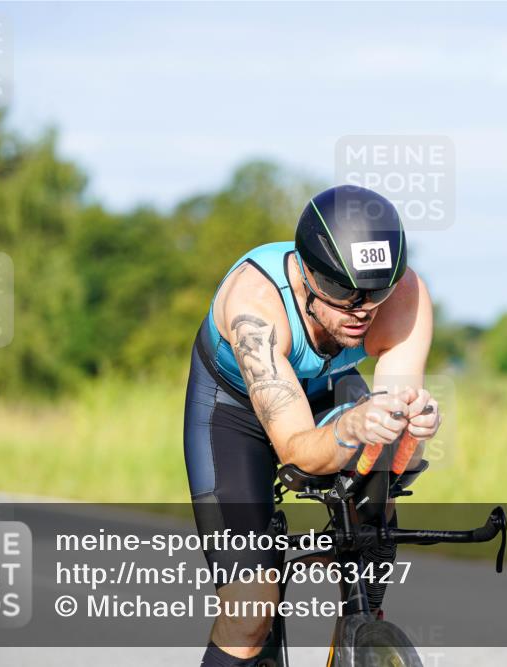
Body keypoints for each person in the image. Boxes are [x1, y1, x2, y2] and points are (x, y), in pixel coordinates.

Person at [183, 184, 442, 666]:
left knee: (374, 510)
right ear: (306, 272)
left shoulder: (405, 295)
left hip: (325, 386)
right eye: (344, 292)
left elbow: (393, 424)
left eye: (376, 290)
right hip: (232, 407)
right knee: (250, 614)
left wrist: (411, 427)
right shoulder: (255, 306)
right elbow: (299, 449)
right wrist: (353, 427)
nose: (363, 309)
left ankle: (361, 626)